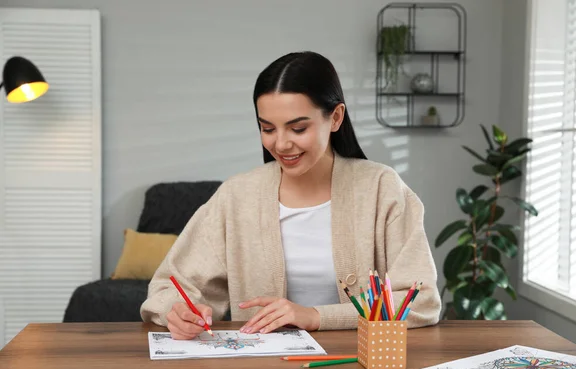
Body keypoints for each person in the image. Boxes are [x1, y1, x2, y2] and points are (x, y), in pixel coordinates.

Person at [140, 51, 441, 339]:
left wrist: (315, 316)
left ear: (335, 118)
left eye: (297, 128)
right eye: (267, 128)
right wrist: (176, 312)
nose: (281, 144)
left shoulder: (382, 188)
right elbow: (169, 287)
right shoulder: (236, 196)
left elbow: (422, 301)